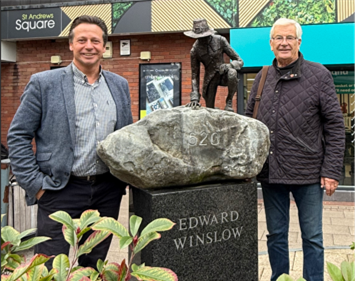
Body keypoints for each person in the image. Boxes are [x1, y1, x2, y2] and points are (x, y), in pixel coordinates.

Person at [7, 15, 133, 269]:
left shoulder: (119, 85)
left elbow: (126, 138)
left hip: (107, 191)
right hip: (59, 190)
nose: (89, 46)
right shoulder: (44, 84)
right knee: (55, 267)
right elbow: (18, 136)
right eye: (82, 40)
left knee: (93, 264)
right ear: (71, 45)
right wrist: (36, 185)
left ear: (104, 46)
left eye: (95, 41)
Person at [246, 18, 345, 281]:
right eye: (279, 38)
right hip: (271, 174)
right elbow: (248, 124)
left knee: (312, 237)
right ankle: (280, 277)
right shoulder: (262, 76)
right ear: (271, 43)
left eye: (290, 38)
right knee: (276, 236)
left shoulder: (319, 75)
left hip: (309, 174)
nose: (284, 43)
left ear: (299, 42)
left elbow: (335, 126)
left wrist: (332, 170)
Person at [184, 18, 243, 111]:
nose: (203, 39)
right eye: (200, 37)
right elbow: (195, 76)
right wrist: (195, 98)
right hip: (210, 79)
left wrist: (228, 66)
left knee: (232, 73)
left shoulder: (220, 40)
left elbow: (239, 60)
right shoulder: (195, 50)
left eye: (205, 36)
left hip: (223, 74)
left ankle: (229, 102)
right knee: (209, 109)